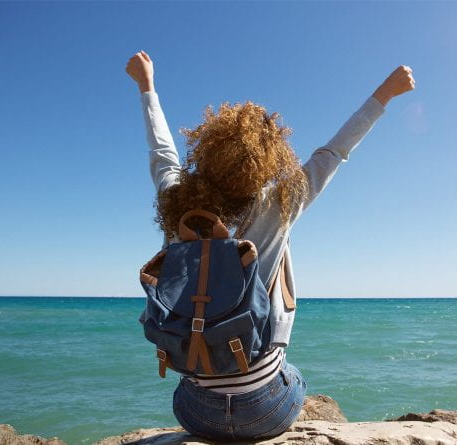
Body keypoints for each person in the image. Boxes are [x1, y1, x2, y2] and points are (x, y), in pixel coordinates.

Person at [125, 50, 415, 441]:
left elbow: (162, 153)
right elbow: (333, 152)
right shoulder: (281, 202)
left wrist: (147, 87)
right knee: (294, 376)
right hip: (265, 412)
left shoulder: (177, 202)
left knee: (193, 381)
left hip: (195, 412)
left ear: (205, 152)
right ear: (268, 159)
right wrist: (385, 93)